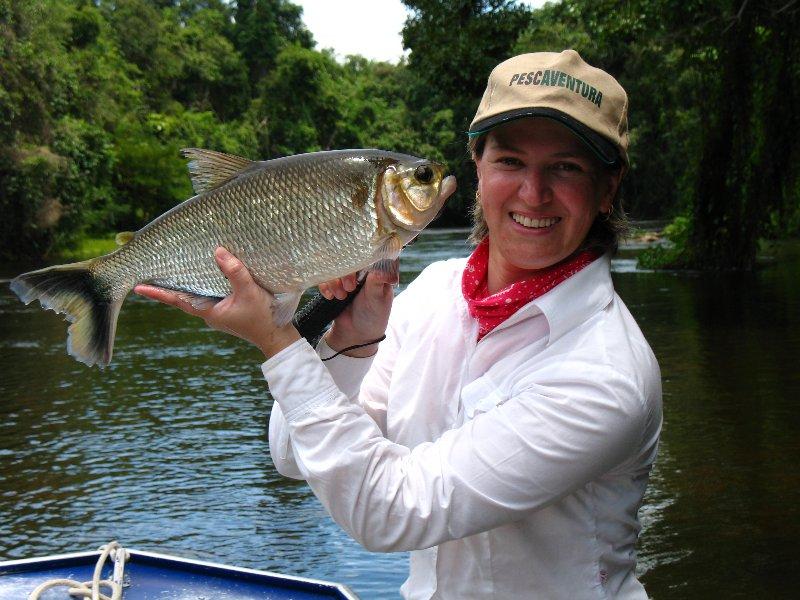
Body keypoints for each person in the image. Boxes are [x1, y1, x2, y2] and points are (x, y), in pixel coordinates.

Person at [136, 49, 662, 599]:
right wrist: (349, 341)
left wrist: (277, 340)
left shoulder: (606, 378)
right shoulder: (434, 291)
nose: (533, 193)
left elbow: (393, 511)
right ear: (478, 167)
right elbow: (294, 457)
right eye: (510, 161)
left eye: (566, 167)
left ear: (608, 187)